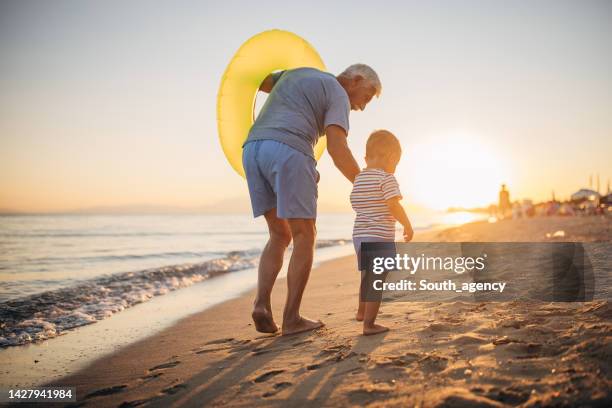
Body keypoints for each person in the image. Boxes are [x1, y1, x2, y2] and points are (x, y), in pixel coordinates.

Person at [242, 64, 382, 335]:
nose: (362, 107)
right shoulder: (339, 93)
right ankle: (291, 318)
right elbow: (336, 147)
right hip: (289, 149)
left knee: (279, 234)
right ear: (355, 79)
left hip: (252, 149)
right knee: (305, 233)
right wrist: (365, 184)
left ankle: (261, 304)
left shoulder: (297, 73)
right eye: (366, 97)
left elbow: (258, 82)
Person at [350, 130, 413, 335]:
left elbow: (356, 203)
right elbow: (393, 205)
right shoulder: (387, 178)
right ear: (392, 158)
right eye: (396, 163)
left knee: (367, 275)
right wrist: (407, 224)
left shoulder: (359, 179)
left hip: (359, 236)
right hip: (379, 237)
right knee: (377, 279)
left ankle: (361, 311)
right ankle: (369, 324)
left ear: (367, 157)